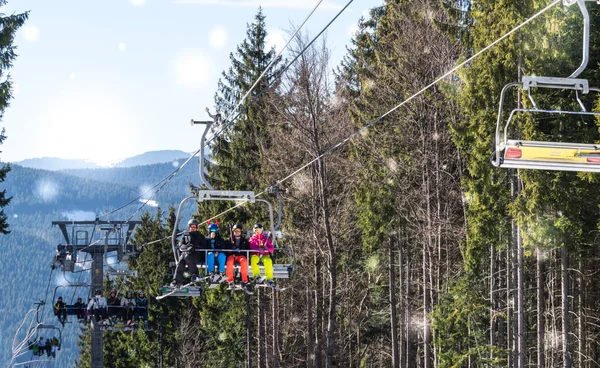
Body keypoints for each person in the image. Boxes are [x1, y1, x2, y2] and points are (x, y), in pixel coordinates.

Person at [171, 219, 206, 287]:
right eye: (191, 227)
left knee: (186, 256)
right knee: (181, 260)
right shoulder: (186, 236)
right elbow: (181, 245)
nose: (193, 229)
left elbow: (204, 246)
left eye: (194, 227)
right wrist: (187, 247)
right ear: (189, 227)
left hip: (197, 254)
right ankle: (177, 280)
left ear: (196, 228)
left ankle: (195, 274)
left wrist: (195, 247)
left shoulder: (200, 236)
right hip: (186, 254)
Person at [226, 224, 251, 291]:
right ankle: (230, 281)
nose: (237, 232)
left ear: (241, 232)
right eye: (235, 231)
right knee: (229, 262)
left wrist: (241, 250)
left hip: (240, 256)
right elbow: (226, 249)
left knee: (244, 261)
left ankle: (244, 280)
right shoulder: (229, 240)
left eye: (238, 231)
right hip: (232, 255)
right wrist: (231, 249)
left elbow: (247, 250)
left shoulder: (244, 241)